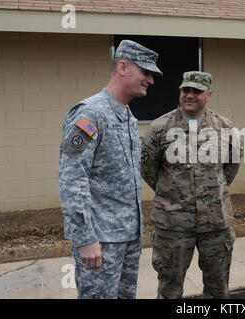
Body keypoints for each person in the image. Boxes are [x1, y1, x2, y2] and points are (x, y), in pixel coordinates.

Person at [58, 40, 162, 299]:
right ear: (123, 66)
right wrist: (84, 238)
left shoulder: (127, 117)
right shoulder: (91, 114)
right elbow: (72, 176)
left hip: (128, 237)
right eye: (146, 72)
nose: (150, 79)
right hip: (101, 241)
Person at [141, 71, 240, 299]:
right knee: (169, 289)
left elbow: (230, 168)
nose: (190, 95)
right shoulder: (159, 128)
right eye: (186, 90)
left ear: (208, 94)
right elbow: (148, 170)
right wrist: (172, 194)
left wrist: (210, 192)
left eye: (196, 91)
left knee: (218, 289)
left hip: (215, 224)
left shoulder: (225, 127)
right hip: (173, 224)